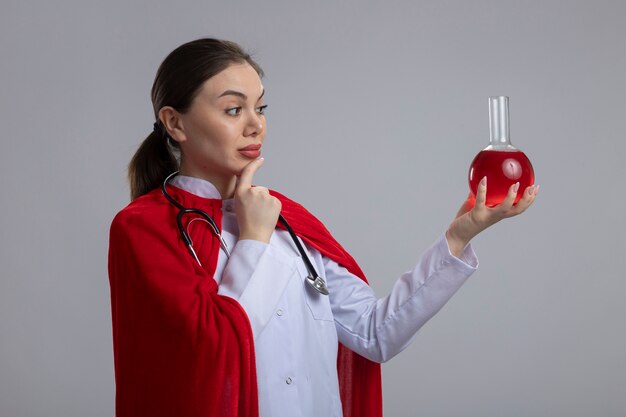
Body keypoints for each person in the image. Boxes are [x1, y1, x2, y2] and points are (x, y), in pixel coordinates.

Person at [108, 38, 538, 417]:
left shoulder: (289, 222)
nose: (255, 124)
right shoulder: (145, 228)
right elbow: (212, 350)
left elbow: (375, 334)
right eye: (234, 109)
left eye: (260, 107)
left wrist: (459, 237)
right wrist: (254, 239)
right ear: (175, 122)